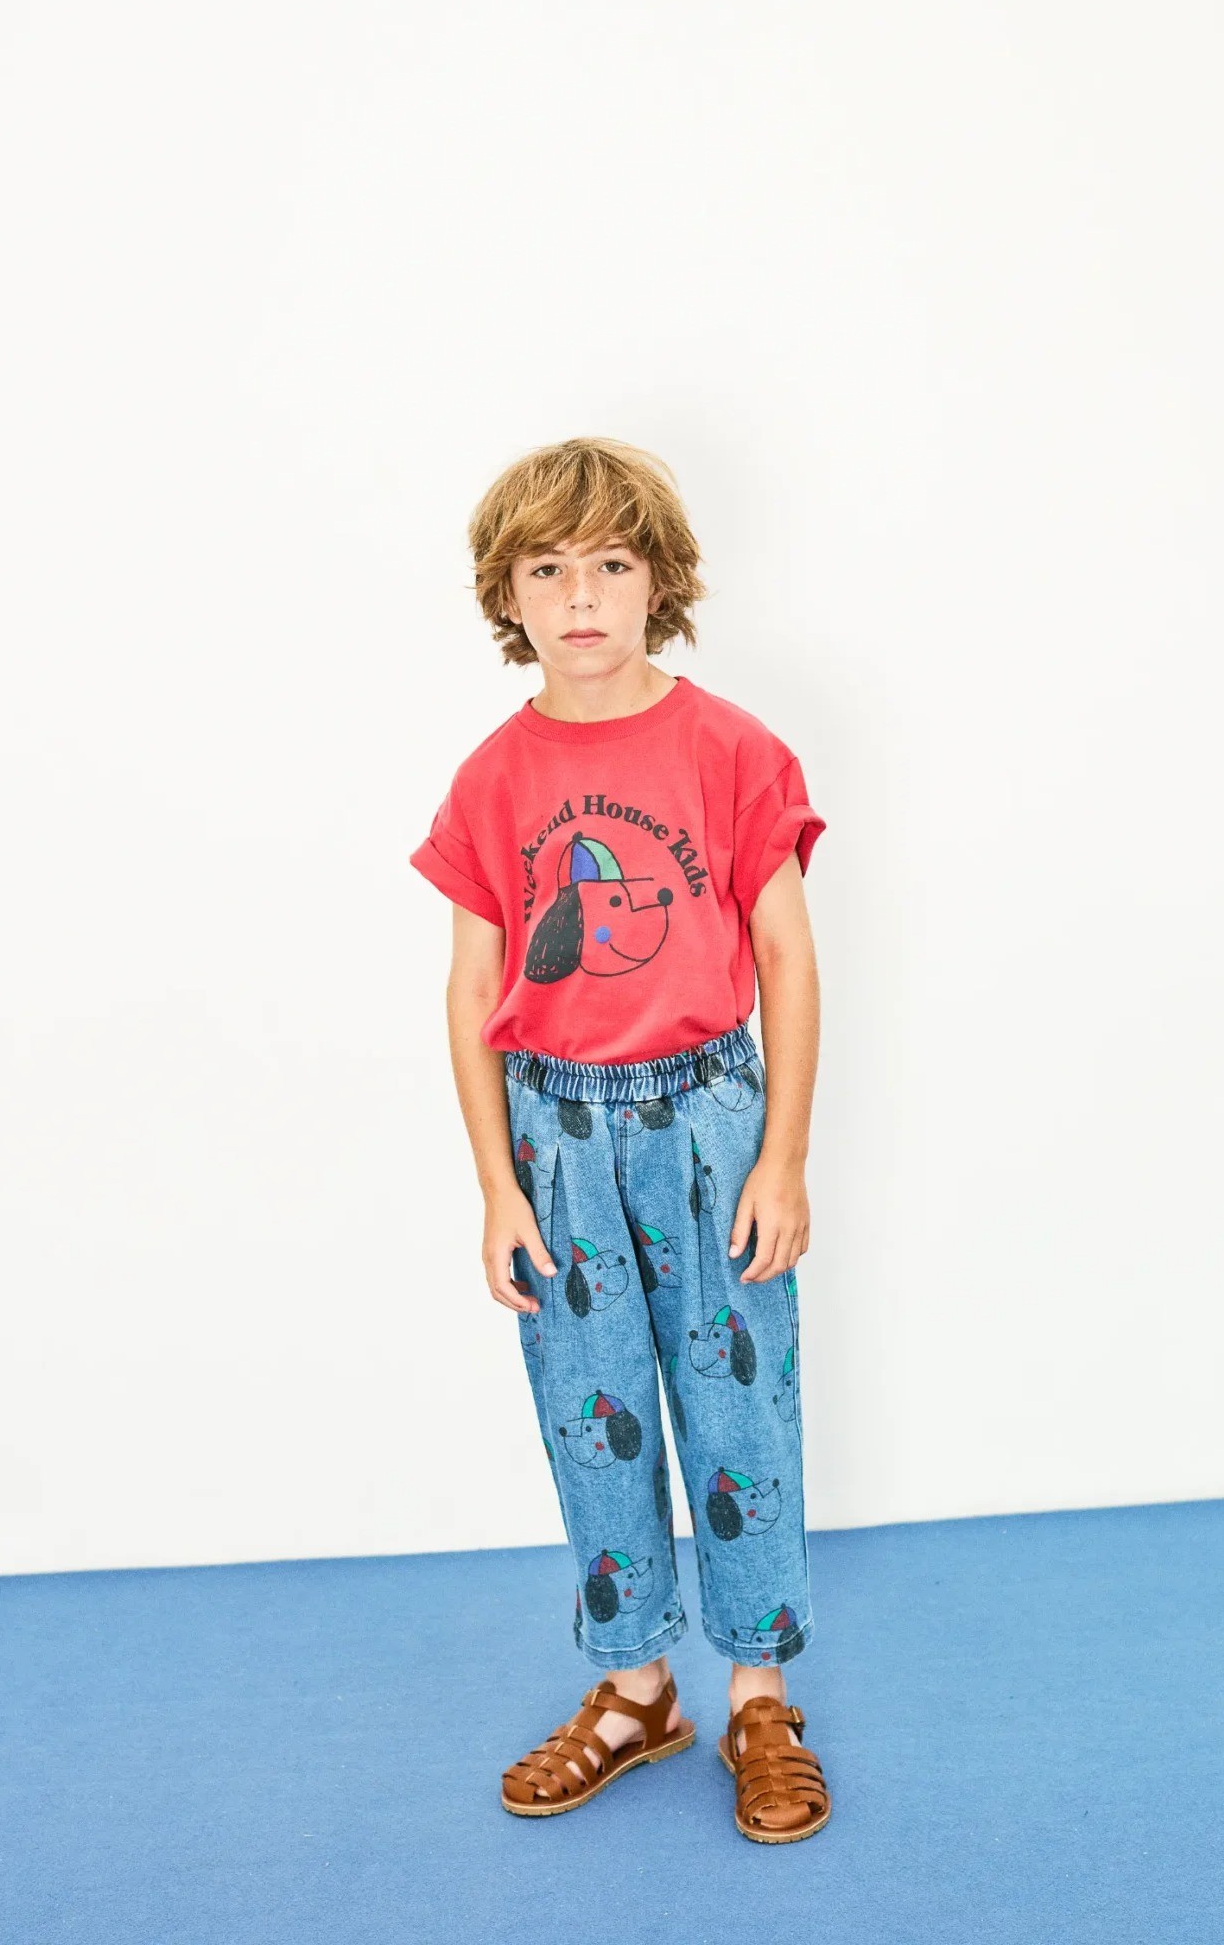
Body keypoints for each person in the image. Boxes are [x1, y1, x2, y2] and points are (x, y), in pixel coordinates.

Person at [409, 436, 832, 1843]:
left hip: (709, 1120)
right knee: (593, 1414)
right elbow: (472, 990)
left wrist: (783, 1154)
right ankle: (639, 1689)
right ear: (507, 595)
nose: (580, 595)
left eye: (610, 563)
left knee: (738, 1413)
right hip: (558, 1141)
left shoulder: (730, 750)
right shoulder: (493, 779)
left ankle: (759, 1697)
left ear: (661, 581)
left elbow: (788, 954)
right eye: (547, 569)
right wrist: (497, 1186)